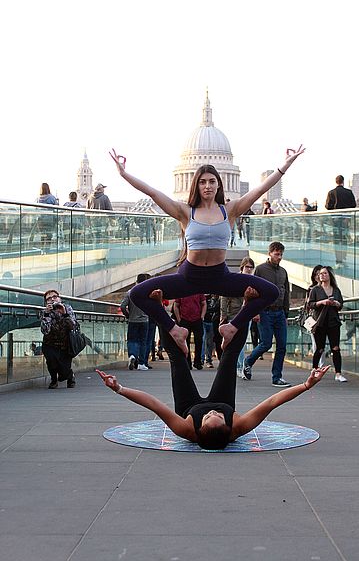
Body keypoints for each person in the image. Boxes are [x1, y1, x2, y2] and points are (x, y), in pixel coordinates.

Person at [109, 145, 306, 355]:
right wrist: (123, 173)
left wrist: (286, 165)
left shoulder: (229, 210)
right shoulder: (185, 212)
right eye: (202, 182)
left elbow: (259, 190)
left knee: (271, 291)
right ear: (196, 185)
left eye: (212, 181)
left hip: (219, 276)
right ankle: (174, 330)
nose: (207, 186)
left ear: (219, 185)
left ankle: (231, 328)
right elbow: (152, 193)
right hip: (189, 276)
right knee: (137, 293)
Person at [96, 325, 330, 451]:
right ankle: (242, 314)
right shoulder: (238, 426)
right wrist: (306, 385)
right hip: (224, 398)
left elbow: (154, 404)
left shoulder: (186, 429)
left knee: (177, 362)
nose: (212, 412)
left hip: (188, 406)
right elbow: (271, 403)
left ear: (199, 428)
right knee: (229, 359)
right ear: (228, 426)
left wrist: (119, 389)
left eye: (209, 417)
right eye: (218, 416)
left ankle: (162, 317)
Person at [242, 242, 291, 387]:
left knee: (282, 345)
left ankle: (277, 377)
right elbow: (253, 292)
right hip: (265, 312)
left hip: (280, 312)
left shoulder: (283, 272)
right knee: (266, 343)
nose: (279, 257)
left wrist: (286, 314)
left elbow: (286, 292)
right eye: (277, 254)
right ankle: (248, 361)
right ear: (269, 253)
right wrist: (255, 311)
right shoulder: (261, 270)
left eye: (281, 254)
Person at [308, 266, 347, 382]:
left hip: (333, 322)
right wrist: (322, 302)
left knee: (335, 348)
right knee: (319, 348)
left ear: (330, 275)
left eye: (325, 273)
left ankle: (338, 373)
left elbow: (341, 305)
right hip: (319, 322)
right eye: (320, 274)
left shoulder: (336, 290)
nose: (322, 275)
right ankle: (314, 371)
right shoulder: (315, 290)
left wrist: (335, 303)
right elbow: (310, 304)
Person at [220, 257, 257, 378]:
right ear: (242, 267)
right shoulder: (235, 279)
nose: (249, 269)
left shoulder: (253, 281)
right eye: (247, 267)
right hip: (234, 314)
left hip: (247, 314)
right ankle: (237, 366)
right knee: (235, 341)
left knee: (242, 341)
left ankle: (238, 366)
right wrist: (223, 315)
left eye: (251, 267)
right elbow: (224, 297)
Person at [40, 289, 77, 389]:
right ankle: (53, 380)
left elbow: (72, 326)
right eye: (49, 298)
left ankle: (70, 376)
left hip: (65, 343)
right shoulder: (45, 312)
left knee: (64, 369)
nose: (52, 299)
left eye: (54, 297)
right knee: (51, 362)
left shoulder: (67, 308)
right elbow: (45, 330)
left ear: (59, 298)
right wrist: (47, 314)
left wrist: (64, 313)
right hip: (49, 343)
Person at [325, 175, 356, 269]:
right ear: (343, 182)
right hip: (346, 220)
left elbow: (327, 206)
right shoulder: (349, 192)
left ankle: (338, 261)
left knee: (337, 240)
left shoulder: (331, 193)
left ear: (336, 182)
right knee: (344, 240)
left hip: (335, 220)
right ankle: (344, 259)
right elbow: (353, 205)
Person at [120, 274, 151, 371]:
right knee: (143, 342)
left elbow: (122, 306)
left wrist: (128, 315)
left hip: (133, 320)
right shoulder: (148, 292)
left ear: (136, 281)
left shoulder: (130, 292)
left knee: (132, 340)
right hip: (144, 320)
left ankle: (132, 355)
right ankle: (141, 363)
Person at [173, 293, 206, 370]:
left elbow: (204, 303)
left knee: (199, 340)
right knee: (185, 342)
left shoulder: (198, 291)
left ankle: (197, 362)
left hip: (197, 319)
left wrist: (202, 316)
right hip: (184, 319)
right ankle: (187, 362)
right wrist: (179, 319)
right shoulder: (182, 291)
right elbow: (176, 305)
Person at [202, 294, 219, 368]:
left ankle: (208, 360)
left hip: (212, 321)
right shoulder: (203, 298)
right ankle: (202, 359)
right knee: (203, 340)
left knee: (210, 342)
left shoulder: (217, 299)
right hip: (203, 321)